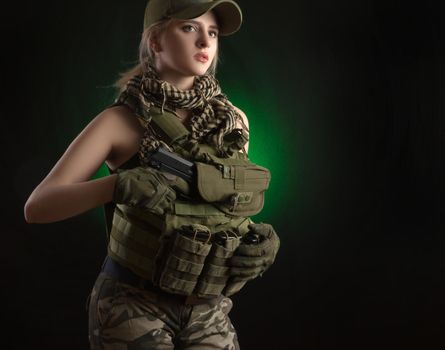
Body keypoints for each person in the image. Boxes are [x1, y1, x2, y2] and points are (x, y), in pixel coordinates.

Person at [24, 0, 279, 349]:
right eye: (189, 28)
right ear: (156, 41)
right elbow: (38, 206)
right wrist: (117, 186)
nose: (205, 42)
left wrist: (257, 241)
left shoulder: (233, 121)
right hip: (132, 305)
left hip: (207, 308)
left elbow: (220, 210)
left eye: (213, 32)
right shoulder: (121, 122)